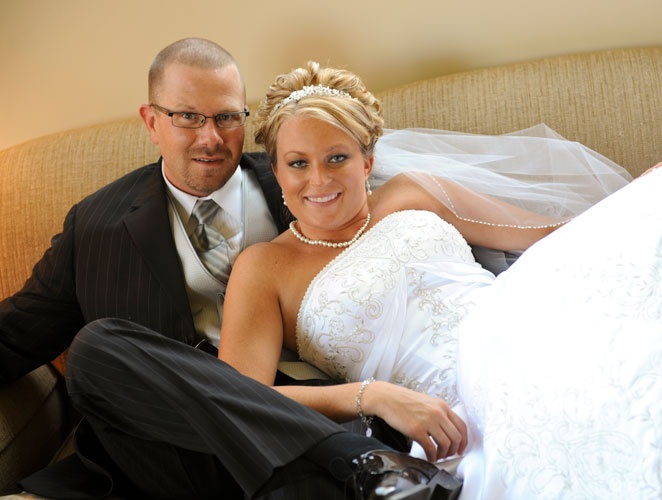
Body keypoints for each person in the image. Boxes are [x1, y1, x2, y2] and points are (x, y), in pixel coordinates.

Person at [218, 60, 662, 499]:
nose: (319, 180)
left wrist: (639, 197)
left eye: (337, 157)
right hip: (460, 406)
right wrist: (372, 396)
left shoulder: (412, 192)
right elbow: (243, 398)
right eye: (298, 163)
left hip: (534, 319)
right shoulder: (264, 268)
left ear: (366, 160)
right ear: (277, 170)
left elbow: (546, 236)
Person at [0, 40, 464, 500]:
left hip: (317, 425)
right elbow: (16, 335)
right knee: (95, 350)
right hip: (180, 453)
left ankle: (361, 470)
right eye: (188, 117)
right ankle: (363, 465)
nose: (210, 138)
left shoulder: (306, 176)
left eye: (226, 117)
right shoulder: (95, 226)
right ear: (152, 122)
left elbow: (410, 260)